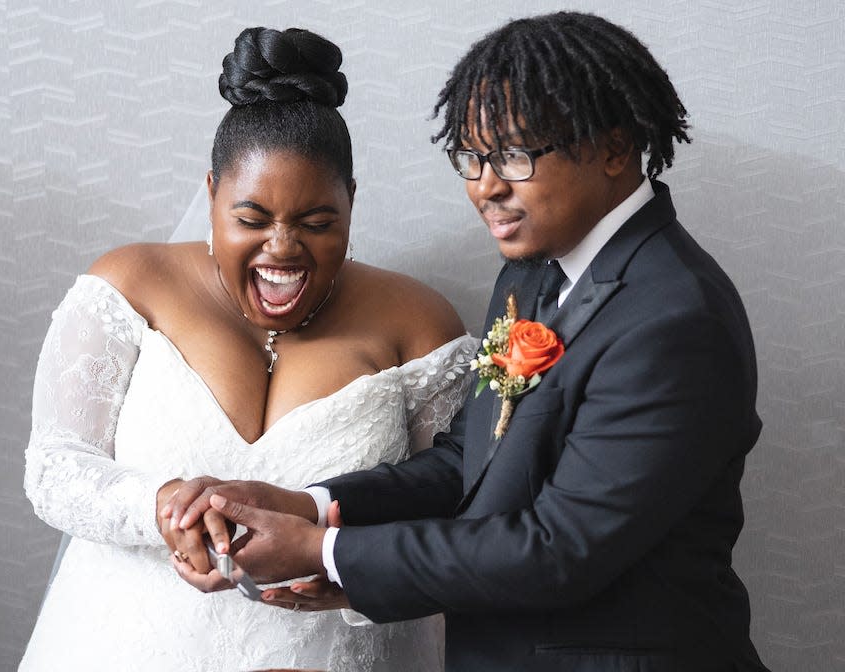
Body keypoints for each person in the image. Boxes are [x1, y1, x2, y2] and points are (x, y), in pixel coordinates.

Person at [166, 12, 770, 672]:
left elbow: (558, 551)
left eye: (513, 155)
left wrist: (323, 552)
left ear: (614, 148)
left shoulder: (675, 318)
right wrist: (311, 505)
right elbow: (471, 460)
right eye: (472, 158)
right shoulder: (533, 270)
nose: (485, 185)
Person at [20, 26, 477, 672]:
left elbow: (454, 516)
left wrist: (339, 568)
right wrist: (160, 508)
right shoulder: (129, 288)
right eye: (252, 218)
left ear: (352, 202)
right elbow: (53, 467)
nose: (283, 247)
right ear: (211, 195)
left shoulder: (419, 325)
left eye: (318, 223)